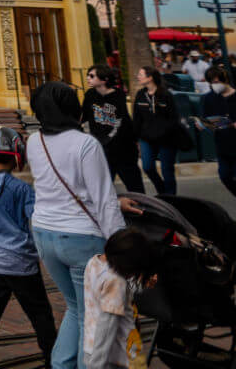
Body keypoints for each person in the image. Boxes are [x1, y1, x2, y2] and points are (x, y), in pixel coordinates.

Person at [26, 80, 126, 369]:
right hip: (83, 238)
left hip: (44, 233)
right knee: (90, 317)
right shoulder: (86, 144)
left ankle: (60, 365)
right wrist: (121, 243)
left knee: (74, 307)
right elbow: (103, 198)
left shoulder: (35, 141)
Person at [0, 126, 56, 369]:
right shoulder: (22, 189)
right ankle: (54, 361)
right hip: (21, 264)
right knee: (40, 316)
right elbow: (37, 221)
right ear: (18, 154)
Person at [81, 229, 161, 369]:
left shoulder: (94, 263)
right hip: (116, 355)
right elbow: (107, 325)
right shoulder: (117, 281)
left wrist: (140, 285)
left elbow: (112, 295)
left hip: (92, 347)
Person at [82, 64, 143, 193]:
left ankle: (144, 211)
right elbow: (83, 116)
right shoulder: (90, 95)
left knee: (135, 186)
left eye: (92, 76)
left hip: (123, 149)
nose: (88, 78)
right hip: (102, 150)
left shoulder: (118, 95)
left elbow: (122, 121)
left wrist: (133, 141)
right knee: (103, 189)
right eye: (88, 75)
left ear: (104, 80)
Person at [133, 67, 179, 196]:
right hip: (146, 138)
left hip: (166, 139)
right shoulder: (140, 95)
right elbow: (136, 119)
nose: (138, 76)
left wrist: (166, 132)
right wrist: (135, 139)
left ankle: (171, 198)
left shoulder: (165, 95)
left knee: (167, 171)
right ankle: (162, 190)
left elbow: (173, 118)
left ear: (150, 77)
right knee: (147, 167)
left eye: (141, 74)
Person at [201, 65, 236, 198]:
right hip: (222, 144)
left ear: (225, 79)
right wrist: (203, 124)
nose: (214, 85)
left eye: (216, 82)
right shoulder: (210, 98)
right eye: (211, 83)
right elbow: (207, 118)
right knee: (225, 176)